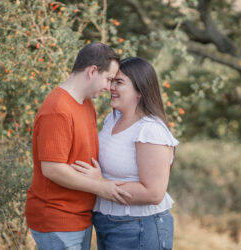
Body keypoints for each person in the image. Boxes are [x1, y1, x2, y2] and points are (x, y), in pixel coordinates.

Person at [25, 43, 132, 250]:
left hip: (79, 217)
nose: (110, 88)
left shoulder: (85, 104)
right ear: (92, 71)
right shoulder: (57, 109)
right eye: (109, 79)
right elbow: (52, 168)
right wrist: (101, 187)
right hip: (57, 218)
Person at [72, 57, 179, 250]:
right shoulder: (112, 120)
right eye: (111, 81)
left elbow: (153, 193)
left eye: (119, 82)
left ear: (140, 90)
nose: (111, 87)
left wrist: (100, 184)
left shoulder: (150, 130)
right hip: (107, 223)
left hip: (139, 227)